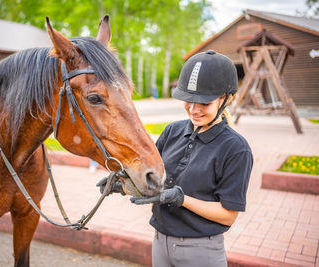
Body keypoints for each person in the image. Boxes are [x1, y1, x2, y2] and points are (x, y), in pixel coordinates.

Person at [99, 50, 253, 267]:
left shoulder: (236, 149)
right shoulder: (172, 131)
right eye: (188, 100)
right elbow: (155, 185)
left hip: (201, 251)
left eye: (204, 103)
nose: (193, 109)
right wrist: (123, 184)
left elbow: (228, 215)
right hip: (160, 244)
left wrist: (181, 199)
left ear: (226, 99)